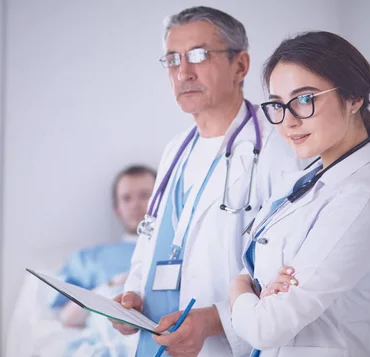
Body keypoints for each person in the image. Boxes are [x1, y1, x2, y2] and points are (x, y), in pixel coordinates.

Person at [110, 6, 303, 357]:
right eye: (172, 59)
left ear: (240, 65)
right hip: (156, 338)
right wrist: (132, 295)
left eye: (199, 56)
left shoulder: (279, 149)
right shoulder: (176, 149)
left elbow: (290, 275)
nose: (183, 72)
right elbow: (151, 241)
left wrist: (216, 321)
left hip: (224, 347)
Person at [228, 31, 370, 357]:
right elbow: (254, 271)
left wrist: (237, 290)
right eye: (278, 105)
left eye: (304, 99)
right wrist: (256, 287)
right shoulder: (305, 181)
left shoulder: (360, 202)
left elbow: (265, 327)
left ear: (354, 98)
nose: (288, 122)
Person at [49, 164, 157, 325]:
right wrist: (112, 284)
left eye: (144, 195)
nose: (135, 204)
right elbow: (66, 318)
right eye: (126, 198)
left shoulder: (179, 253)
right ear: (117, 209)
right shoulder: (90, 259)